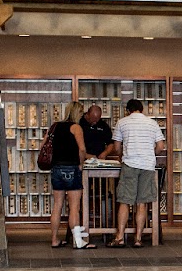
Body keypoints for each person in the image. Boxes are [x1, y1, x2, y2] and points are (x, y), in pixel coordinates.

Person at [108, 98, 164, 248]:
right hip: (147, 166)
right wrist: (150, 153)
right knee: (142, 204)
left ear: (128, 110)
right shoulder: (152, 123)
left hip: (130, 164)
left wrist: (121, 156)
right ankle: (138, 238)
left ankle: (120, 237)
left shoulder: (122, 122)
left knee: (125, 201)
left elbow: (117, 147)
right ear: (142, 109)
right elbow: (160, 146)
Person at [47, 101, 96, 250]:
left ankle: (54, 239)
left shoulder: (54, 127)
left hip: (56, 168)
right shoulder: (76, 127)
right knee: (74, 207)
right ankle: (78, 242)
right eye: (81, 113)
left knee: (57, 205)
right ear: (77, 113)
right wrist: (80, 165)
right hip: (71, 168)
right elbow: (82, 149)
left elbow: (45, 144)